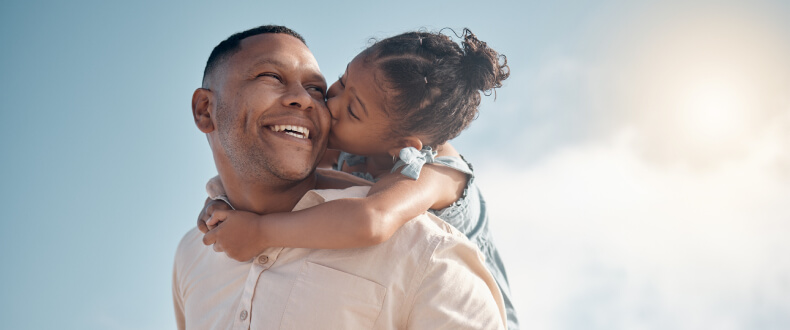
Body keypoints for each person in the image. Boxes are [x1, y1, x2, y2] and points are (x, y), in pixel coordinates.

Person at [172, 25, 506, 329]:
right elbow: (277, 168)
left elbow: (371, 218)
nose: (327, 104)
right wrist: (221, 199)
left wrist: (259, 231)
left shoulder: (432, 174)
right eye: (341, 83)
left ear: (401, 145)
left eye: (352, 109)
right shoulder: (191, 260)